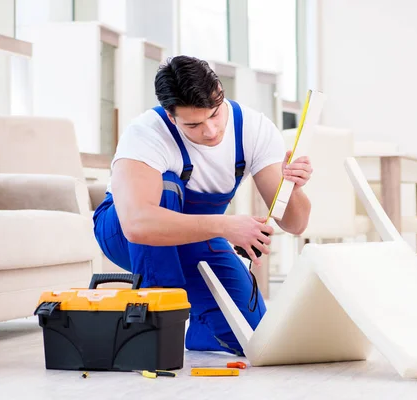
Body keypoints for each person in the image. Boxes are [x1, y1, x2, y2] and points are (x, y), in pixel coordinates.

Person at [93, 55, 312, 355]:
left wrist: (293, 188)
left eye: (214, 115)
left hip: (195, 235)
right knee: (167, 186)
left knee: (254, 335)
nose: (210, 131)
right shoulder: (146, 133)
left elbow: (295, 224)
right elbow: (137, 224)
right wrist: (226, 226)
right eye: (194, 124)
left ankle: (200, 330)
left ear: (220, 92)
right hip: (122, 232)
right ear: (171, 116)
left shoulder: (254, 129)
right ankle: (157, 325)